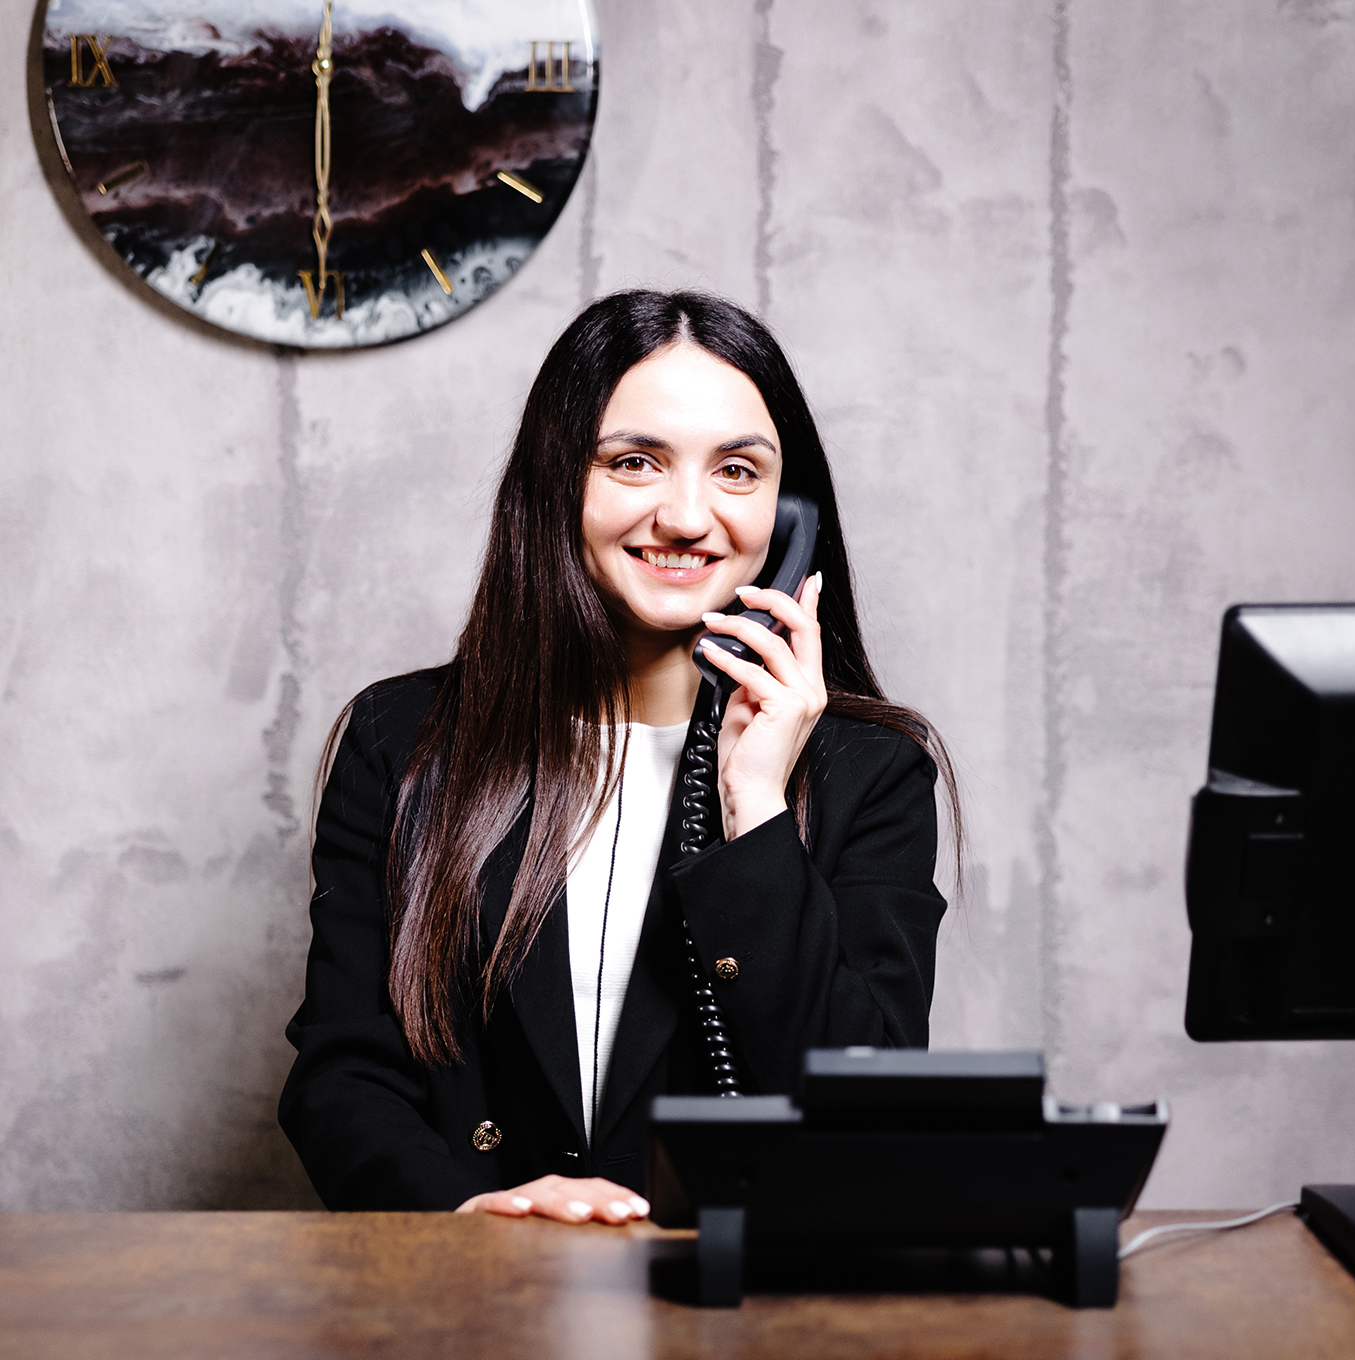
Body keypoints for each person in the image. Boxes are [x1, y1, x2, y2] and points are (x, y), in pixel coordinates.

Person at [279, 290, 957, 1222]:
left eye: (738, 472)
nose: (687, 516)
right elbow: (344, 1074)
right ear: (559, 483)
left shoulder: (870, 771)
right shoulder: (404, 741)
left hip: (733, 1312)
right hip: (476, 1304)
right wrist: (461, 1223)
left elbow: (860, 1100)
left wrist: (755, 813)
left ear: (787, 510)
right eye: (635, 462)